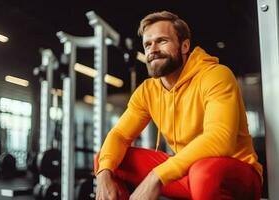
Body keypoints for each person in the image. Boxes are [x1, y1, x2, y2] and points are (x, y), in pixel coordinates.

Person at [94, 11, 262, 200]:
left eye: (162, 41)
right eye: (148, 44)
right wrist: (103, 175)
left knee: (203, 172)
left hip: (237, 176)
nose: (153, 49)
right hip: (189, 175)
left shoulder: (215, 75)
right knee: (107, 159)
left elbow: (219, 139)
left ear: (184, 46)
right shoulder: (147, 91)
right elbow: (120, 135)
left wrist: (156, 176)